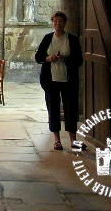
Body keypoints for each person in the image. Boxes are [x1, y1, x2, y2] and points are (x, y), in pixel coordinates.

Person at [35, 11, 84, 151]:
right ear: (53, 23)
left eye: (60, 21)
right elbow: (38, 57)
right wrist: (48, 58)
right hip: (50, 80)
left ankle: (73, 140)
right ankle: (57, 140)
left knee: (70, 108)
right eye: (55, 22)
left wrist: (66, 60)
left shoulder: (72, 39)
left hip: (68, 80)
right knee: (53, 108)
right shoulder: (47, 38)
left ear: (65, 23)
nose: (58, 24)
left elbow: (79, 60)